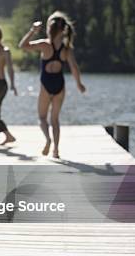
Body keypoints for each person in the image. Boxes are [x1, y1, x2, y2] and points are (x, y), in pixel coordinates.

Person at [18, 11, 86, 158]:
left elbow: (22, 45)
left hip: (46, 84)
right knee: (55, 119)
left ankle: (48, 139)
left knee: (42, 117)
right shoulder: (67, 49)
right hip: (59, 84)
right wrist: (79, 84)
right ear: (63, 29)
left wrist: (32, 31)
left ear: (50, 28)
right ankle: (56, 150)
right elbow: (74, 67)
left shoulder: (44, 45)